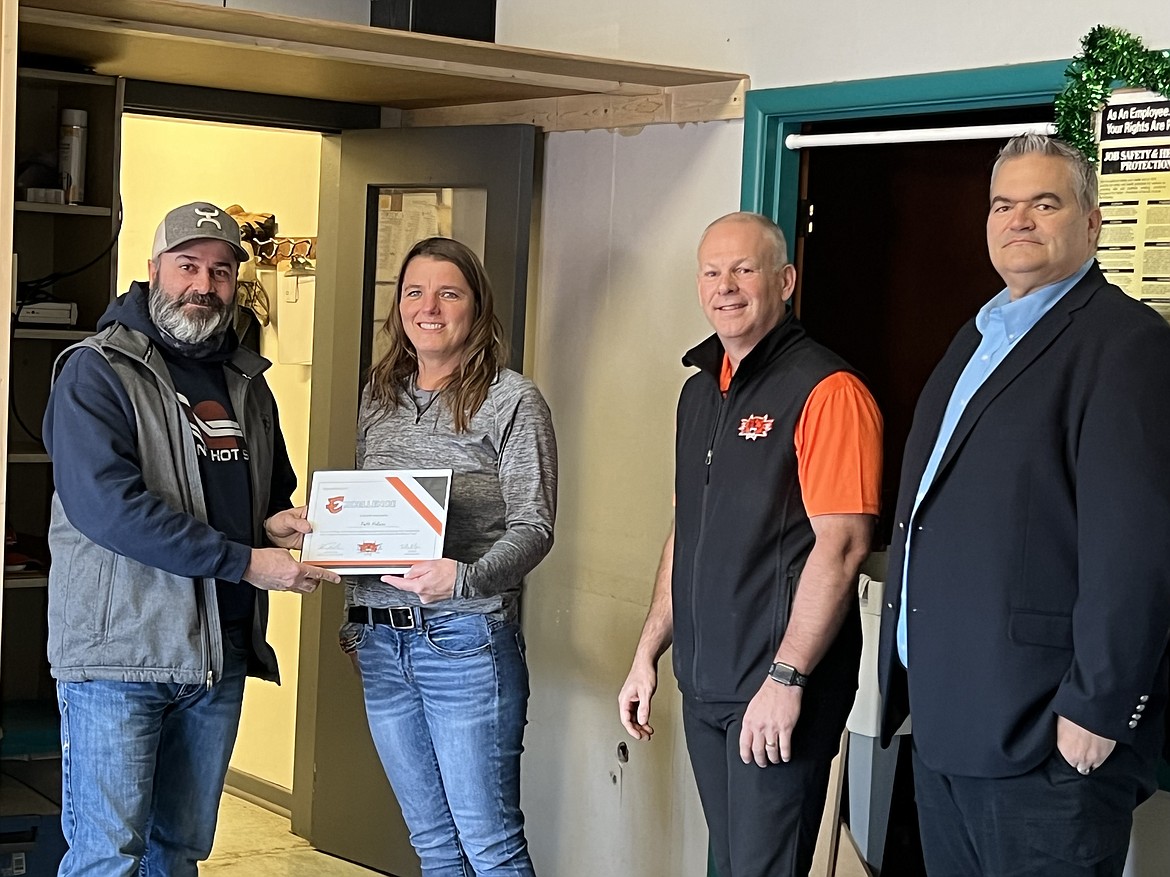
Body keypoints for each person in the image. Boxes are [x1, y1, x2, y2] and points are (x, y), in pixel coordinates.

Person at [877, 133, 1170, 876]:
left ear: (1091, 223)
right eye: (1004, 205)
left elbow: (1136, 545)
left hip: (1045, 734)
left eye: (1046, 203)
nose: (1020, 221)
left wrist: (1101, 706)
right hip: (946, 722)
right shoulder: (974, 339)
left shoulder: (1125, 344)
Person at [43, 200, 341, 877]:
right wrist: (244, 560)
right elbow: (110, 510)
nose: (203, 286)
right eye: (187, 266)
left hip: (216, 657)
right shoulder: (96, 372)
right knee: (106, 856)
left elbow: (259, 492)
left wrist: (276, 522)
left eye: (220, 271)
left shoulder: (246, 382)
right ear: (152, 272)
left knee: (177, 854)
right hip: (121, 657)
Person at [618, 212, 882, 877]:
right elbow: (688, 530)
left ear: (785, 280)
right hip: (707, 684)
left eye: (745, 269)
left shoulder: (828, 391)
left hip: (775, 690)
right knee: (735, 863)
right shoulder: (699, 393)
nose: (726, 286)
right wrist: (649, 651)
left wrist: (787, 675)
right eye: (712, 271)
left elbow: (843, 546)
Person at [341, 236, 557, 877]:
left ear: (476, 308)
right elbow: (372, 516)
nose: (428, 307)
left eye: (448, 293)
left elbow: (536, 526)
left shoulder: (513, 400)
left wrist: (465, 577)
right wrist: (326, 539)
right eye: (414, 291)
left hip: (464, 642)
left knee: (490, 847)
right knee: (433, 844)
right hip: (380, 643)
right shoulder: (378, 395)